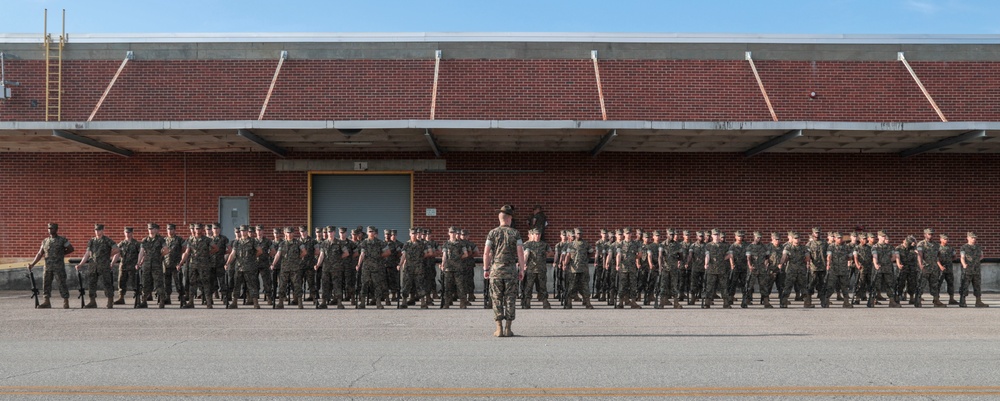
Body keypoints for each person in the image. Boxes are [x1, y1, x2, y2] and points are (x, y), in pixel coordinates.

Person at [483, 205, 526, 337]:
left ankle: (499, 328)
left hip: (496, 270)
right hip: (510, 271)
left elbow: (486, 253)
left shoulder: (492, 233)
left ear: (500, 218)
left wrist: (486, 268)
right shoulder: (515, 233)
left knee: (496, 298)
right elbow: (520, 252)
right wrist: (522, 269)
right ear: (509, 219)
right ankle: (508, 328)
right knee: (510, 299)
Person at [27, 223, 74, 309]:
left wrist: (61, 254)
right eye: (49, 228)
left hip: (59, 267)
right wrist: (32, 264)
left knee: (62, 283)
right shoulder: (45, 241)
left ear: (56, 229)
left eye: (52, 228)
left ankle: (65, 301)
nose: (50, 230)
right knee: (46, 284)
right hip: (47, 267)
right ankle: (46, 301)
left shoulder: (62, 240)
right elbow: (40, 253)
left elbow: (71, 249)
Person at [75, 224, 119, 309]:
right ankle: (92, 302)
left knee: (107, 283)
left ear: (102, 230)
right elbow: (87, 254)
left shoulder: (107, 240)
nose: (97, 232)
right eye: (96, 230)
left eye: (99, 230)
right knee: (91, 284)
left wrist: (108, 255)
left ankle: (110, 301)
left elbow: (117, 249)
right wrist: (80, 264)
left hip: (104, 266)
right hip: (93, 266)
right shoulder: (92, 241)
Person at [176, 224, 219, 308]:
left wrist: (208, 254)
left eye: (199, 229)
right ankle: (191, 302)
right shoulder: (191, 240)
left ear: (202, 229)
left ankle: (209, 303)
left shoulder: (207, 240)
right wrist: (181, 263)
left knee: (206, 283)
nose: (198, 230)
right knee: (192, 283)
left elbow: (216, 248)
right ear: (194, 230)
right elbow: (187, 252)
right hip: (193, 265)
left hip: (204, 265)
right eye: (196, 229)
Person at [225, 225, 262, 309]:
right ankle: (234, 302)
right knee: (237, 285)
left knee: (252, 285)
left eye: (245, 231)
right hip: (239, 267)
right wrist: (227, 263)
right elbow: (233, 254)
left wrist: (252, 258)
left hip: (250, 267)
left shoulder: (252, 241)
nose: (243, 232)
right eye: (241, 231)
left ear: (247, 232)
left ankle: (255, 303)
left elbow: (260, 251)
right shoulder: (237, 242)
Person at [270, 227, 306, 309]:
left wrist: (298, 258)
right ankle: (280, 303)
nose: (289, 234)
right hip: (285, 268)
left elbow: (304, 252)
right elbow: (278, 255)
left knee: (297, 285)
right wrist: (273, 264)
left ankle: (300, 303)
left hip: (295, 268)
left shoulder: (298, 243)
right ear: (285, 233)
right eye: (287, 233)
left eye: (290, 233)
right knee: (282, 285)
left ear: (293, 233)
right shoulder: (282, 244)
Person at [356, 226, 391, 309]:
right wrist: (358, 264)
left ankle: (378, 302)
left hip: (377, 268)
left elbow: (388, 252)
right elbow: (362, 254)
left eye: (373, 232)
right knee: (364, 284)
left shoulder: (379, 242)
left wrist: (379, 256)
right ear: (367, 233)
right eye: (370, 231)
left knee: (377, 285)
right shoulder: (364, 243)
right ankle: (362, 303)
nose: (371, 233)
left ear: (375, 233)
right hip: (366, 268)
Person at [135, 223, 165, 308]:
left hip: (156, 265)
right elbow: (141, 252)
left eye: (152, 229)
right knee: (145, 283)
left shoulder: (160, 240)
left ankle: (161, 301)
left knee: (158, 283)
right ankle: (144, 301)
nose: (150, 230)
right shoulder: (145, 240)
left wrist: (160, 256)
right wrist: (138, 262)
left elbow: (166, 250)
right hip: (146, 265)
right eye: (149, 229)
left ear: (156, 230)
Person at [561, 228, 593, 309]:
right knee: (571, 286)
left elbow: (591, 252)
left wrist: (586, 259)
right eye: (578, 234)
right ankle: (568, 302)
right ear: (575, 234)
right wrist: (565, 264)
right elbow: (568, 255)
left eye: (580, 234)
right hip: (573, 269)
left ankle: (587, 302)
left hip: (583, 269)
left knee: (585, 286)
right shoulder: (570, 245)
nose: (579, 235)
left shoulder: (586, 244)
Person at [778, 231, 811, 308]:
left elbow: (807, 258)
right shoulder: (788, 247)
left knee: (803, 286)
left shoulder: (804, 248)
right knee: (788, 286)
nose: (797, 240)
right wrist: (781, 263)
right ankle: (784, 302)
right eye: (795, 238)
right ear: (792, 239)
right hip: (791, 270)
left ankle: (807, 302)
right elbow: (784, 257)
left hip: (801, 270)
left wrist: (803, 262)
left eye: (798, 238)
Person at [398, 228, 429, 308]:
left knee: (420, 284)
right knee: (406, 284)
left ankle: (423, 302)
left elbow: (426, 254)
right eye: (412, 234)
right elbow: (403, 256)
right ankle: (404, 302)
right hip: (409, 268)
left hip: (419, 268)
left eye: (415, 234)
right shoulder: (407, 244)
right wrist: (400, 264)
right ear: (410, 234)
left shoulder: (422, 244)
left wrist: (419, 260)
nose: (414, 235)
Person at [440, 227, 470, 308]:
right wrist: (443, 264)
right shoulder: (446, 244)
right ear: (448, 233)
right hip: (448, 268)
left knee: (460, 286)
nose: (453, 234)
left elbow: (466, 254)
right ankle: (446, 303)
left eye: (454, 232)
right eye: (451, 232)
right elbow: (444, 256)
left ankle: (463, 303)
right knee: (447, 286)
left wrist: (458, 258)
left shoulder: (461, 244)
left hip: (458, 268)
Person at [915, 228, 946, 307]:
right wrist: (921, 265)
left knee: (935, 285)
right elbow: (919, 255)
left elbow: (938, 255)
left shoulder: (936, 244)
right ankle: (918, 300)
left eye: (932, 234)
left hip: (934, 268)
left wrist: (939, 264)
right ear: (925, 235)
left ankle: (936, 300)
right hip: (925, 267)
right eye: (929, 234)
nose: (931, 235)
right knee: (921, 284)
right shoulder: (921, 244)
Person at [110, 227, 140, 305]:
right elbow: (117, 254)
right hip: (123, 266)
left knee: (135, 283)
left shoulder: (136, 243)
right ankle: (121, 298)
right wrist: (112, 263)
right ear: (124, 233)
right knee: (121, 282)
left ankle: (138, 298)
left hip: (133, 267)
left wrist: (139, 263)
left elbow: (141, 254)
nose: (128, 234)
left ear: (132, 233)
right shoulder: (121, 244)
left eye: (129, 232)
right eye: (126, 232)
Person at [521, 228, 550, 309]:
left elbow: (550, 252)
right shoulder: (527, 244)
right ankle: (527, 302)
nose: (537, 236)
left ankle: (545, 301)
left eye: (539, 234)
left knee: (542, 286)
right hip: (531, 270)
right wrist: (523, 264)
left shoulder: (544, 244)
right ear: (532, 235)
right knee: (528, 286)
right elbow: (525, 255)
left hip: (541, 270)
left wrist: (545, 255)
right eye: (536, 234)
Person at [871, 231, 901, 308]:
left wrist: (887, 261)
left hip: (888, 268)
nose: (884, 237)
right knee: (876, 284)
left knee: (890, 284)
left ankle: (892, 301)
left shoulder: (890, 247)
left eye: (885, 236)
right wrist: (876, 264)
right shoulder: (875, 247)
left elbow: (894, 256)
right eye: (882, 236)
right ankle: (873, 300)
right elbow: (875, 256)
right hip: (879, 268)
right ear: (878, 237)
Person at [703, 229, 731, 309]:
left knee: (724, 287)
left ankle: (726, 303)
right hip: (711, 269)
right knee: (709, 287)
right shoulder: (708, 245)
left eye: (717, 235)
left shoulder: (724, 246)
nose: (716, 236)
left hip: (722, 269)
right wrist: (706, 264)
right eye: (714, 235)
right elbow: (707, 255)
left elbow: (730, 255)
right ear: (712, 236)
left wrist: (723, 259)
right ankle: (707, 303)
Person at [615, 227, 643, 309]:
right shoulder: (620, 244)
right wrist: (617, 265)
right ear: (624, 234)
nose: (628, 235)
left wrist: (635, 258)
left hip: (632, 268)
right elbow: (618, 255)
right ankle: (620, 303)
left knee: (633, 285)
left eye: (629, 233)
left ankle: (633, 302)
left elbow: (640, 254)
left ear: (631, 234)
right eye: (626, 233)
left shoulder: (636, 244)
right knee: (622, 286)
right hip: (623, 268)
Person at [824, 232, 852, 308]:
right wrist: (828, 265)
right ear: (835, 238)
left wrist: (847, 258)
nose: (840, 239)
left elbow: (850, 257)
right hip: (834, 270)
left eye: (841, 238)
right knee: (830, 286)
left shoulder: (846, 247)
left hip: (843, 270)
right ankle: (826, 301)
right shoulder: (831, 246)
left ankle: (846, 302)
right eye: (838, 238)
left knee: (844, 286)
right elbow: (829, 256)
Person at [960, 232, 987, 307]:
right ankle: (962, 301)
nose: (974, 239)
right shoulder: (964, 247)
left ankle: (978, 302)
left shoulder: (978, 247)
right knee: (965, 285)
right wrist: (964, 264)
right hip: (967, 270)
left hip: (976, 270)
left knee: (977, 285)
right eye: (972, 238)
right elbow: (962, 257)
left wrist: (977, 261)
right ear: (968, 238)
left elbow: (981, 256)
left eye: (975, 238)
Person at [162, 224, 185, 305]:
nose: (170, 231)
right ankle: (167, 298)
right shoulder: (164, 240)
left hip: (176, 264)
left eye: (171, 229)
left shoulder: (179, 239)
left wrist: (180, 262)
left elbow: (184, 250)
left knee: (178, 282)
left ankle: (182, 297)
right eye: (168, 229)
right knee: (166, 282)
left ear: (174, 230)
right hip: (166, 264)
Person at [938, 234, 959, 305]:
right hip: (940, 269)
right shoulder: (937, 247)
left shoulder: (951, 248)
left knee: (951, 283)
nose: (946, 240)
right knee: (938, 283)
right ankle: (936, 299)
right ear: (940, 239)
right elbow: (935, 258)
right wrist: (940, 266)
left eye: (947, 239)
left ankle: (951, 299)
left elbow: (954, 257)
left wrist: (950, 260)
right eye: (944, 239)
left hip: (949, 268)